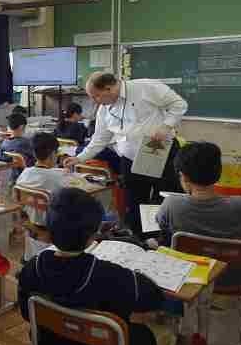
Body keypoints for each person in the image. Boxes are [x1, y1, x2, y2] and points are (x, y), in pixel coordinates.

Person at [18, 188, 166, 345]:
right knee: (144, 334)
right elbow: (155, 298)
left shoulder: (32, 267)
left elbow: (26, 313)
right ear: (92, 236)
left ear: (49, 229)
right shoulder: (110, 275)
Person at [64, 72, 188, 236]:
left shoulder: (145, 87)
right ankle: (141, 239)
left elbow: (179, 104)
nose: (95, 101)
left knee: (163, 198)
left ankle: (164, 238)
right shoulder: (104, 110)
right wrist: (79, 158)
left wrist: (166, 126)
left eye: (96, 96)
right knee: (135, 202)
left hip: (158, 149)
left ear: (109, 88)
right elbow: (100, 139)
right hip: (129, 158)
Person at [156, 143, 241, 319]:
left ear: (183, 177)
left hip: (189, 277)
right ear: (218, 173)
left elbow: (161, 223)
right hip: (233, 279)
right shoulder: (240, 207)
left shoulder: (171, 204)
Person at [16, 132, 63, 225]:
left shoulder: (25, 173)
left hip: (29, 220)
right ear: (52, 154)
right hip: (50, 223)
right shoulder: (57, 178)